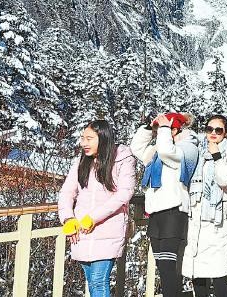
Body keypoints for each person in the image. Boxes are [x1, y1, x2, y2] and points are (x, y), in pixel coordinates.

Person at [58, 120, 136, 297]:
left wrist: (94, 217)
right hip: (81, 231)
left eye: (89, 138)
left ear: (103, 138)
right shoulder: (81, 161)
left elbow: (124, 193)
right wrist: (68, 218)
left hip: (108, 228)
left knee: (99, 281)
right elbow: (67, 192)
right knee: (92, 282)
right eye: (82, 138)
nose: (83, 143)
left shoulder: (123, 158)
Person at [131, 112, 199, 297]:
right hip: (156, 211)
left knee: (169, 267)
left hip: (174, 211)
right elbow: (137, 148)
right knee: (162, 266)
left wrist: (163, 130)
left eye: (163, 129)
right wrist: (149, 128)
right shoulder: (158, 149)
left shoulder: (187, 147)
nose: (158, 132)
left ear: (174, 130)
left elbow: (167, 152)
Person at [182, 115, 227, 297]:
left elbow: (226, 178)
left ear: (226, 133)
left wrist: (217, 156)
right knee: (198, 272)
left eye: (218, 130)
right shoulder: (197, 150)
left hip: (218, 220)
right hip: (196, 217)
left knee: (219, 272)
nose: (213, 133)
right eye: (210, 129)